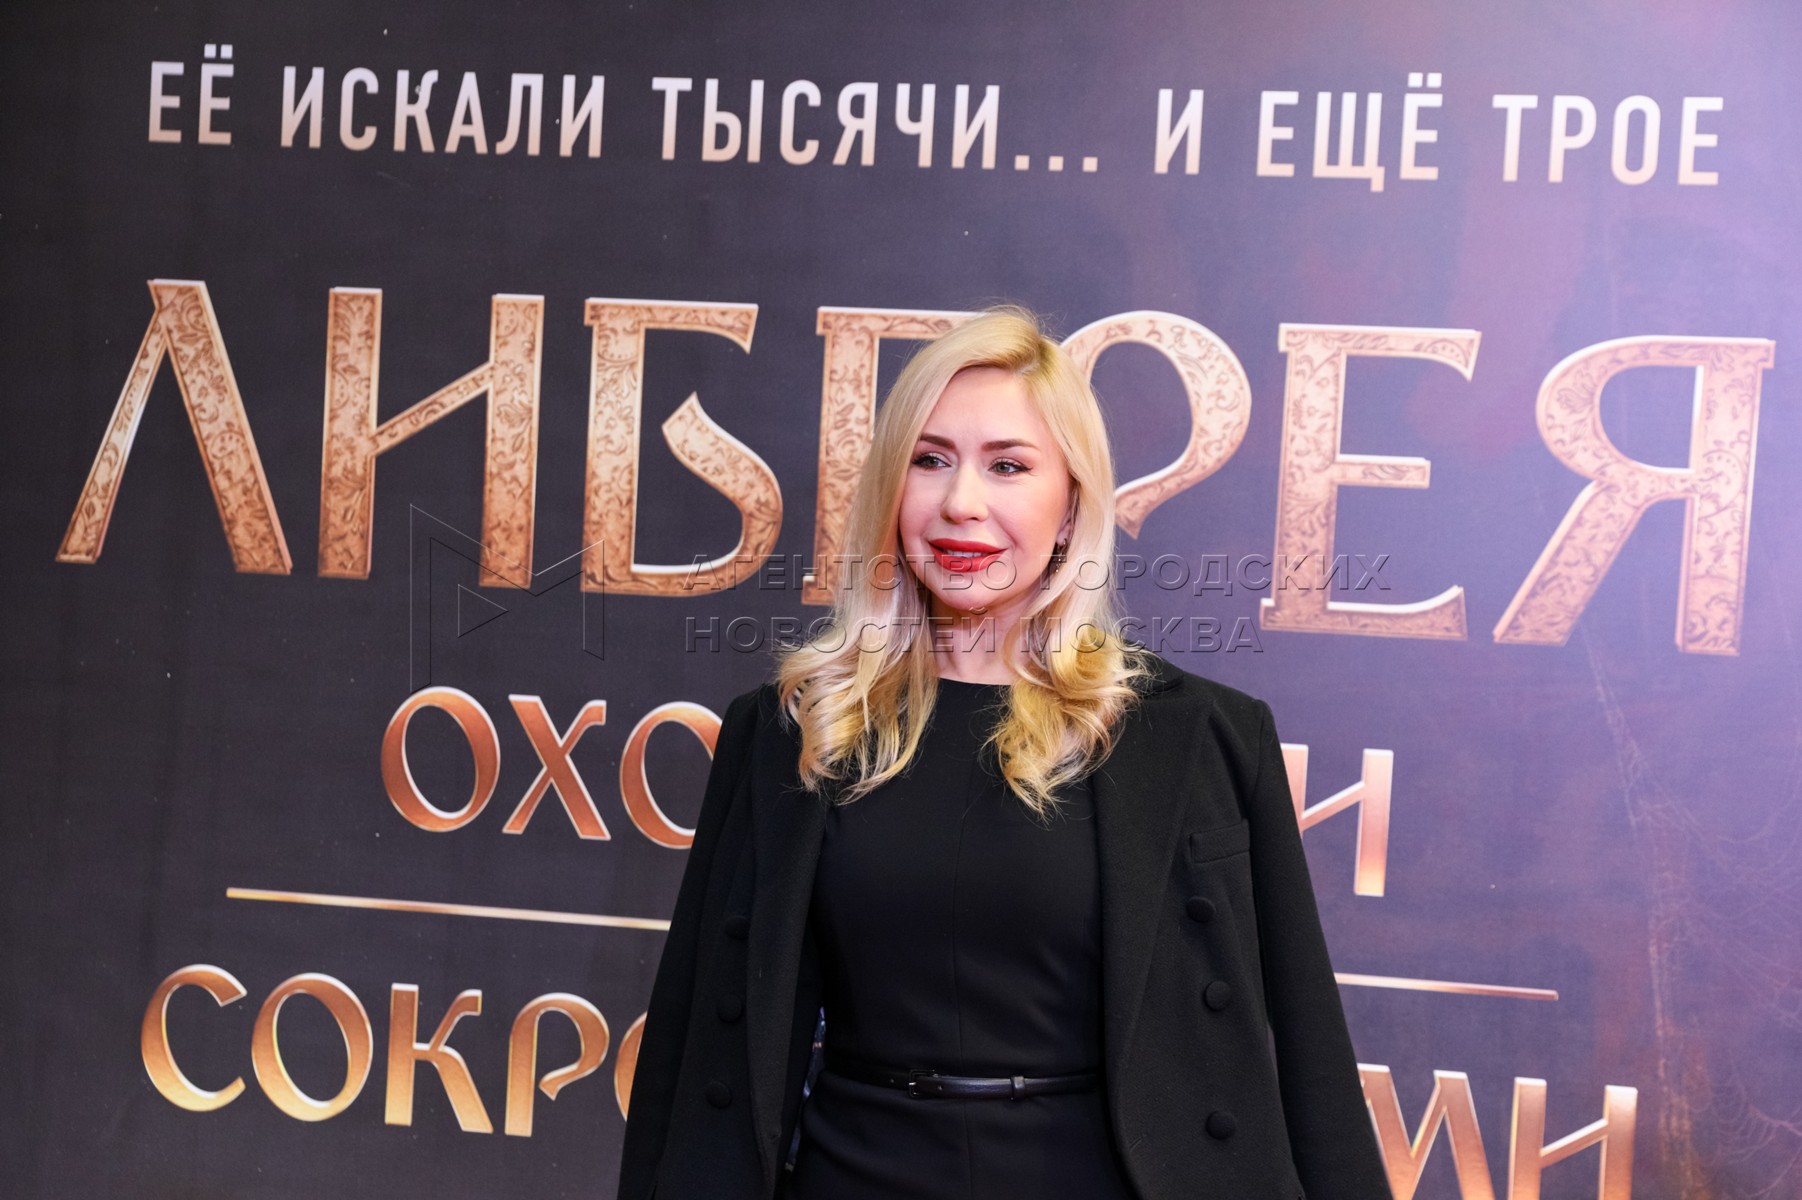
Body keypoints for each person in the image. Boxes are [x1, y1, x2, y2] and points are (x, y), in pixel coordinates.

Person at [616, 307, 1392, 1200]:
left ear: (1071, 508)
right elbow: (696, 1048)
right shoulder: (792, 730)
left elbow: (1305, 1047)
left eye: (1009, 466)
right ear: (890, 490)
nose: (961, 503)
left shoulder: (1199, 737)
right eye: (929, 459)